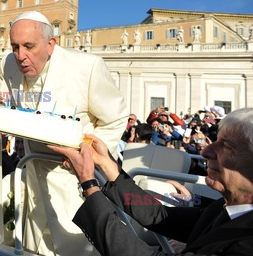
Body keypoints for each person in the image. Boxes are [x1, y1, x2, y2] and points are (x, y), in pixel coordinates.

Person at [0, 11, 128, 255]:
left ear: (51, 44)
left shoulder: (87, 67)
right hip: (32, 170)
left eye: (29, 46)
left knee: (75, 246)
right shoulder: (8, 64)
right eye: (15, 47)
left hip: (74, 177)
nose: (20, 56)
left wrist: (86, 155)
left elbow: (116, 118)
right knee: (34, 244)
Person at [48, 107, 253, 255]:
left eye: (226, 146)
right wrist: (106, 163)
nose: (206, 150)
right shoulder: (222, 210)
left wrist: (89, 184)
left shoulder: (245, 244)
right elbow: (157, 215)